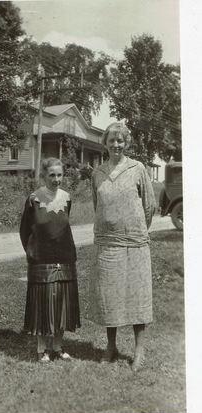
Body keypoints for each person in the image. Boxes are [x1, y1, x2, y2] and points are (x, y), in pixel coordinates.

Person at [90, 122, 156, 371]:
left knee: (137, 295)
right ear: (105, 144)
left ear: (126, 143)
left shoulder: (137, 169)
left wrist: (135, 230)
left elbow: (149, 207)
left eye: (120, 141)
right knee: (110, 295)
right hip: (108, 244)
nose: (116, 145)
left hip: (135, 243)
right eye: (111, 141)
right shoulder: (97, 173)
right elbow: (98, 206)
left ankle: (139, 350)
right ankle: (111, 346)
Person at [20, 157, 80, 363]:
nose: (56, 179)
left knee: (61, 305)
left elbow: (63, 226)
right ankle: (41, 349)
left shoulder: (67, 198)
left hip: (65, 260)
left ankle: (58, 347)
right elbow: (25, 231)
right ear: (44, 175)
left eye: (59, 175)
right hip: (41, 261)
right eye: (52, 175)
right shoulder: (33, 199)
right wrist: (33, 252)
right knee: (42, 306)